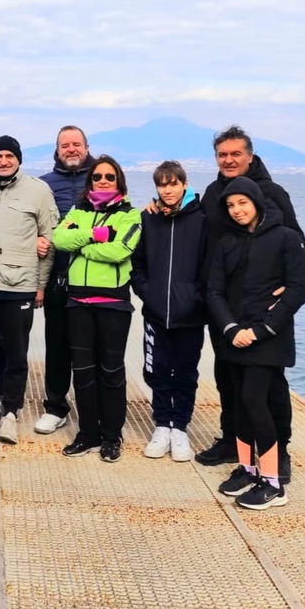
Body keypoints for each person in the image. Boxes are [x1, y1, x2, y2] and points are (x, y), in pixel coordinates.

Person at [194, 126, 305, 484]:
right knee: (227, 376)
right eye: (222, 155)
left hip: (262, 309)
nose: (228, 160)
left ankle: (279, 451)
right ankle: (233, 442)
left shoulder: (272, 193)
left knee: (269, 385)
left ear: (250, 156)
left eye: (235, 154)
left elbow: (296, 243)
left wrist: (288, 288)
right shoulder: (214, 193)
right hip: (222, 306)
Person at [207, 177, 305, 509]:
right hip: (234, 336)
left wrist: (262, 329)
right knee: (238, 401)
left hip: (268, 339)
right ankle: (247, 469)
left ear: (256, 202)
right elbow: (214, 291)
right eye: (230, 205)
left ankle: (273, 483)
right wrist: (230, 328)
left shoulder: (287, 238)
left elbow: (297, 290)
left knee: (255, 399)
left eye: (243, 203)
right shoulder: (226, 242)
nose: (236, 210)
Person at [52, 155, 141, 462]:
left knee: (111, 372)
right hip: (77, 302)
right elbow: (59, 238)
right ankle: (88, 433)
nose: (103, 181)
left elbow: (120, 250)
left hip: (113, 304)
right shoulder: (78, 210)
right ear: (90, 181)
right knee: (83, 372)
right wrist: (94, 235)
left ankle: (112, 435)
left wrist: (83, 246)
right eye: (97, 177)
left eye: (109, 177)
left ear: (119, 181)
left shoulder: (129, 214)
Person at [0, 136, 57, 445]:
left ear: (19, 159)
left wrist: (40, 285)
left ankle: (10, 411)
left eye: (10, 156)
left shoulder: (38, 191)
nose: (4, 161)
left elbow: (49, 240)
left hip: (19, 286)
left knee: (15, 354)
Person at [130, 161, 207, 462]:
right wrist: (147, 292)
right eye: (162, 184)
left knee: (185, 373)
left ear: (184, 184)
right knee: (157, 371)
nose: (168, 190)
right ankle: (162, 424)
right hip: (156, 313)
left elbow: (210, 264)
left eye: (173, 183)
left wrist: (197, 297)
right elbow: (137, 262)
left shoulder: (202, 218)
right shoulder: (148, 218)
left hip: (191, 314)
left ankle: (180, 428)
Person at [35, 126, 94, 435]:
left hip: (95, 279)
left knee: (92, 349)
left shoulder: (102, 178)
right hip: (58, 279)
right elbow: (32, 224)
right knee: (57, 347)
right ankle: (55, 407)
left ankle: (94, 410)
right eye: (65, 145)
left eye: (76, 144)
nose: (71, 149)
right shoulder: (44, 184)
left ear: (86, 146)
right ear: (57, 151)